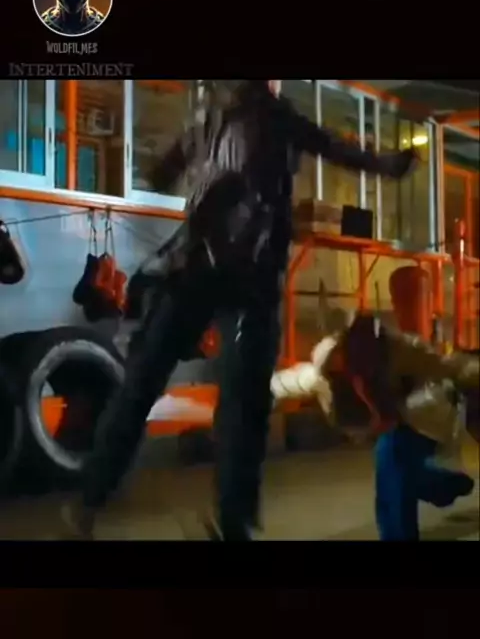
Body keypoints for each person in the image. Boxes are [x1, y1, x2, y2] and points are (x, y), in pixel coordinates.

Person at [62, 80, 417, 541]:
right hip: (248, 277)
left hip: (193, 267)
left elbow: (163, 170)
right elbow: (336, 148)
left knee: (143, 383)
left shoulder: (212, 114)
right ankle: (235, 523)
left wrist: (185, 170)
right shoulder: (274, 114)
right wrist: (389, 165)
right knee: (242, 403)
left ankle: (89, 502)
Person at [291, 315, 477, 541]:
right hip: (384, 424)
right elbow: (288, 383)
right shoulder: (324, 377)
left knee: (391, 461)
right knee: (399, 470)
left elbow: (447, 367)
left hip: (419, 416)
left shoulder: (400, 349)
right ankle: (445, 485)